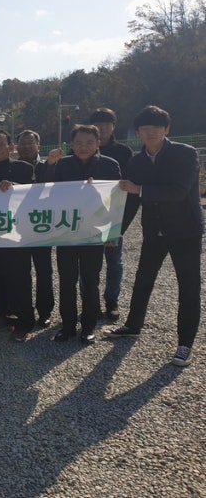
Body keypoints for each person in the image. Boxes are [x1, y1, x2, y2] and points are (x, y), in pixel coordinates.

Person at [106, 105, 204, 367]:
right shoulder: (136, 161)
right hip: (154, 232)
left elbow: (179, 191)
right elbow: (131, 202)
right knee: (143, 281)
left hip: (185, 231)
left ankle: (185, 343)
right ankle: (133, 325)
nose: (150, 133)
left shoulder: (185, 154)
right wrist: (116, 232)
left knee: (188, 287)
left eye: (156, 128)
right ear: (138, 132)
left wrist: (139, 188)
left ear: (167, 129)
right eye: (144, 129)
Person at [52, 125, 121, 344]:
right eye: (79, 143)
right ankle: (68, 326)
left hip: (94, 233)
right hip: (67, 232)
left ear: (98, 143)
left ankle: (88, 326)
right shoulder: (62, 165)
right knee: (66, 281)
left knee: (90, 281)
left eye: (89, 143)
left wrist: (112, 234)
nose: (84, 147)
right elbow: (49, 193)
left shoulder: (110, 166)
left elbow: (117, 202)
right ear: (72, 145)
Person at [0, 129, 35, 342]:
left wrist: (15, 187)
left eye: (3, 144)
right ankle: (3, 316)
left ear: (11, 147)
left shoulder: (24, 168)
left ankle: (25, 321)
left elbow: (34, 193)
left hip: (18, 232)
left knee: (19, 277)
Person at [89, 108, 134, 320]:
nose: (103, 127)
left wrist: (120, 226)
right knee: (89, 264)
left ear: (114, 126)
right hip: (88, 220)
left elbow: (131, 192)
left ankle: (112, 301)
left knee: (114, 263)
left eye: (107, 123)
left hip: (114, 218)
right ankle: (91, 303)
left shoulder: (124, 153)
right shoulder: (81, 150)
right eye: (98, 123)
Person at [15, 129, 55, 328]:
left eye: (31, 143)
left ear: (38, 146)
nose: (27, 147)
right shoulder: (12, 168)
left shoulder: (49, 166)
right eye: (23, 144)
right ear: (16, 147)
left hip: (42, 227)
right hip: (17, 229)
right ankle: (24, 311)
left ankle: (45, 311)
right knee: (21, 273)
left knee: (44, 272)